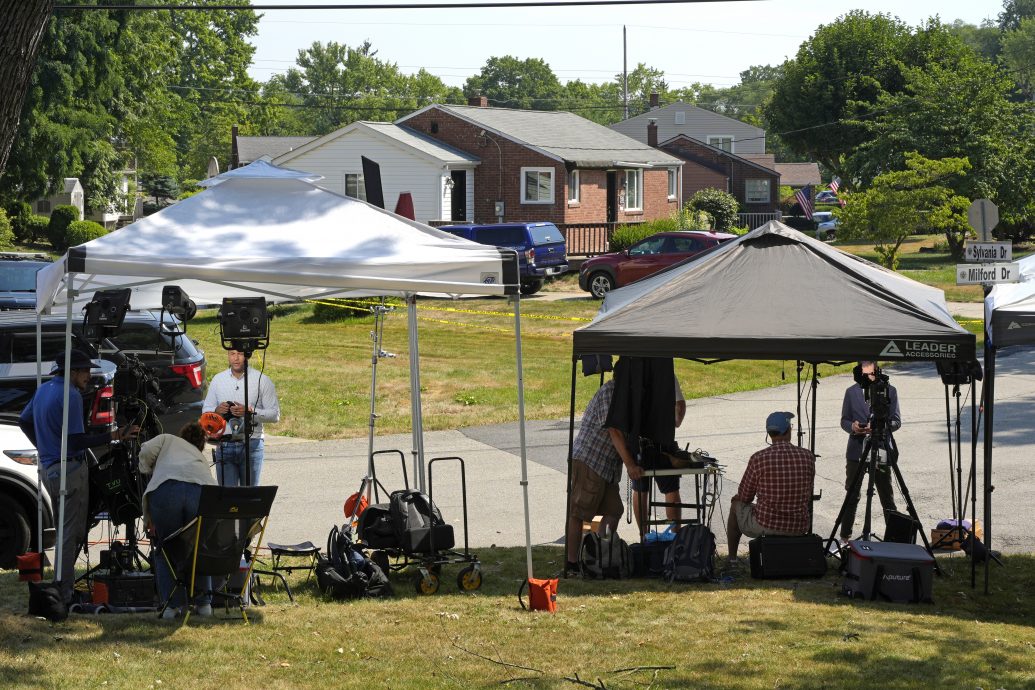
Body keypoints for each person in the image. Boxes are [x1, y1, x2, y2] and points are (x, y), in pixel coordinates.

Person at [18, 349, 138, 604]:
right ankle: (64, 590)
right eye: (84, 371)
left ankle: (61, 585)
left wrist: (43, 446)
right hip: (68, 470)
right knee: (69, 532)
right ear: (72, 372)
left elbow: (24, 420)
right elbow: (76, 441)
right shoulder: (70, 395)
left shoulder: (44, 389)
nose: (88, 375)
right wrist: (114, 436)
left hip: (49, 468)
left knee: (66, 527)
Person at [138, 422, 218, 618]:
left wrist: (146, 468)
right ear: (201, 445)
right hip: (200, 491)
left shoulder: (168, 439)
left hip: (166, 490)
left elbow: (146, 449)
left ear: (181, 435)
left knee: (166, 548)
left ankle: (172, 607)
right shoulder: (198, 457)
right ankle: (204, 604)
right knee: (198, 546)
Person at [564, 378, 641, 577]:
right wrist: (630, 464)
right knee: (579, 513)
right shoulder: (611, 391)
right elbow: (613, 430)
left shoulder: (629, 396)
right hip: (591, 459)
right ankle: (572, 564)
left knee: (614, 510)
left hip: (607, 467)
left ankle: (599, 555)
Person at [726, 411, 815, 563]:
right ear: (788, 430)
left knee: (736, 505)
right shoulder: (808, 456)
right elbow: (807, 493)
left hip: (767, 525)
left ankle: (732, 559)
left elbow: (745, 496)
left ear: (769, 433)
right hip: (799, 526)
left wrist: (739, 499)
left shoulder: (758, 458)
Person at [839, 360, 901, 543]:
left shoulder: (890, 390)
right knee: (852, 494)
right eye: (863, 365)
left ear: (875, 366)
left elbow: (896, 421)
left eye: (870, 365)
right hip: (856, 450)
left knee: (886, 495)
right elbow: (844, 420)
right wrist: (853, 427)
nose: (867, 369)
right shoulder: (851, 392)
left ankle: (894, 538)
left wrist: (880, 427)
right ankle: (845, 536)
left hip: (880, 448)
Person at [202, 349, 280, 486]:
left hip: (252, 444)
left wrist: (250, 412)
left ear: (247, 356)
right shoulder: (218, 379)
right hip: (225, 444)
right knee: (227, 499)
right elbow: (205, 411)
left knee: (249, 498)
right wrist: (216, 410)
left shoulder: (262, 380)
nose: (236, 358)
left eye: (240, 354)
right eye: (232, 354)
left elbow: (274, 415)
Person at [631, 377, 687, 537]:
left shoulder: (635, 372)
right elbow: (680, 405)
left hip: (640, 443)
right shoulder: (666, 372)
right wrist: (675, 422)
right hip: (663, 443)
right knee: (671, 489)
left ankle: (644, 536)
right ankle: (676, 537)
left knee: (640, 489)